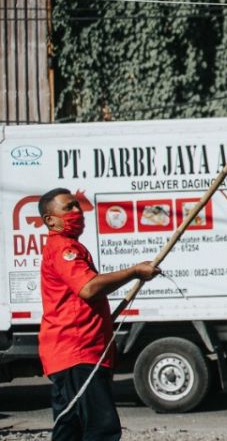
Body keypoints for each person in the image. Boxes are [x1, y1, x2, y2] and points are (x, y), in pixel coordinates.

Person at [38, 188, 160, 441]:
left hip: (73, 352)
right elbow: (88, 287)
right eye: (68, 207)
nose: (76, 212)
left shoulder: (67, 247)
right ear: (50, 219)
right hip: (77, 352)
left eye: (77, 206)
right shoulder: (63, 248)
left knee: (71, 427)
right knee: (100, 428)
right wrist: (134, 271)